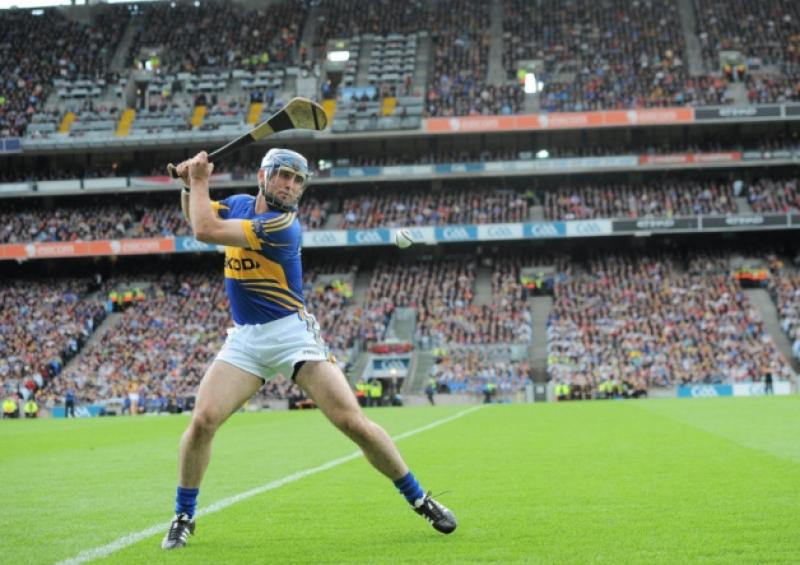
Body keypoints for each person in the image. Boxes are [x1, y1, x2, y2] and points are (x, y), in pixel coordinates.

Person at [161, 149, 456, 550]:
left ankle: (420, 498)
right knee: (203, 421)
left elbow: (205, 231)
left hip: (291, 335)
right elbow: (195, 214)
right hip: (246, 338)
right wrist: (186, 185)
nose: (291, 186)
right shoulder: (240, 205)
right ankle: (183, 515)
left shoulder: (282, 225)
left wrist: (196, 180)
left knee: (351, 421)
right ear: (265, 175)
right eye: (285, 176)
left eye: (299, 181)